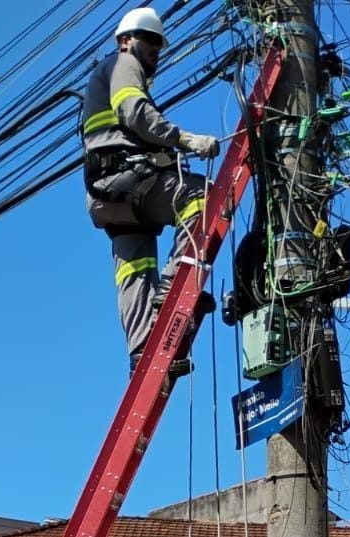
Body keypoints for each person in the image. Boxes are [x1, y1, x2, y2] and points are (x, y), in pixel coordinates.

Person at [81, 7, 220, 378]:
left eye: (159, 45)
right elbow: (133, 111)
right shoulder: (123, 63)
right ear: (127, 40)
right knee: (205, 198)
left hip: (106, 197)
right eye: (150, 42)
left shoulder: (100, 79)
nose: (155, 51)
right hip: (130, 180)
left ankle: (142, 349)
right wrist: (184, 140)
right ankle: (174, 288)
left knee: (134, 270)